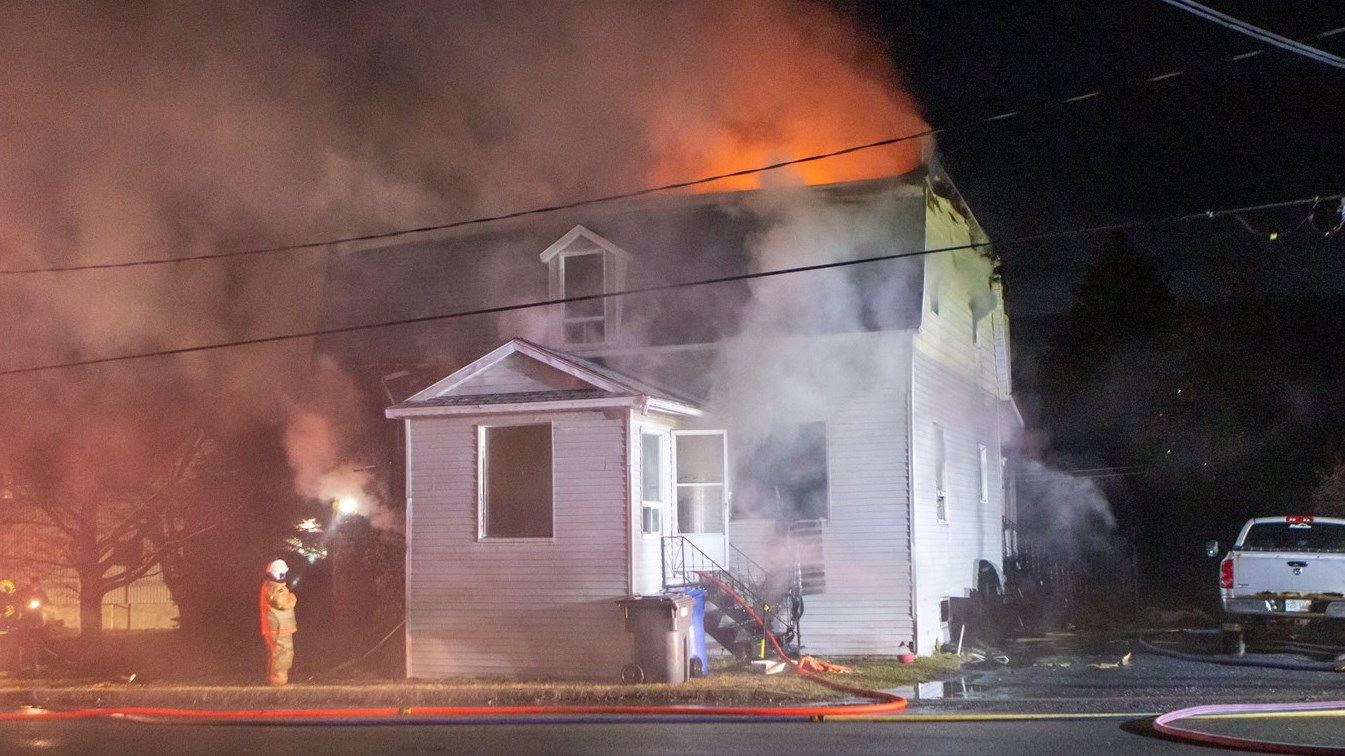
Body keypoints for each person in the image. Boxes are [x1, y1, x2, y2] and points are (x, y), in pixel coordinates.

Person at [259, 559, 298, 686]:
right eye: (282, 574)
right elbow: (282, 603)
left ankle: (275, 682)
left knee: (278, 654)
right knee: (283, 655)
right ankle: (278, 685)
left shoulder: (273, 586)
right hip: (279, 629)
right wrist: (292, 598)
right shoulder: (273, 588)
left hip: (279, 628)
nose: (283, 576)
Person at [14, 577, 49, 674]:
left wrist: (42, 606)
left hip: (37, 620)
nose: (35, 585)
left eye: (37, 583)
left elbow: (46, 602)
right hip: (27, 619)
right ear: (30, 583)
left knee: (36, 644)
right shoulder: (24, 592)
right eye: (33, 583)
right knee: (27, 644)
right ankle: (25, 665)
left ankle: (35, 665)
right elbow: (18, 600)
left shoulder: (41, 593)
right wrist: (25, 605)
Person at [0, 580, 17, 674]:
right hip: (3, 630)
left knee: (9, 649)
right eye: (11, 589)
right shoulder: (3, 600)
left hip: (8, 630)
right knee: (5, 649)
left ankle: (8, 667)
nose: (12, 592)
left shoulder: (9, 601)